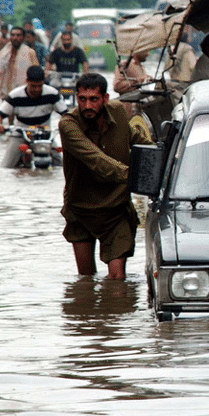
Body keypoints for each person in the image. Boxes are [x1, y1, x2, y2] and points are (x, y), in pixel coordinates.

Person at [58, 73, 152, 279]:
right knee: (85, 279)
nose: (87, 105)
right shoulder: (68, 124)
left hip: (115, 210)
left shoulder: (118, 113)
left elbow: (139, 142)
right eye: (82, 99)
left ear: (105, 99)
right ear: (76, 98)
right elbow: (96, 160)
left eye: (93, 99)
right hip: (81, 209)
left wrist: (162, 161)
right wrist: (135, 176)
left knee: (118, 279)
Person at [0, 65, 68, 167]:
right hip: (20, 134)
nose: (37, 89)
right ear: (26, 81)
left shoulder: (53, 94)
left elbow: (66, 115)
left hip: (44, 135)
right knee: (7, 166)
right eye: (33, 86)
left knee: (60, 164)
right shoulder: (15, 96)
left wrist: (65, 127)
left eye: (40, 86)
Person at [0, 26, 39, 99]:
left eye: (18, 35)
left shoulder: (30, 53)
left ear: (23, 38)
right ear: (10, 37)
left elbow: (36, 75)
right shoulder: (3, 54)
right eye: (13, 35)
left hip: (23, 96)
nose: (15, 38)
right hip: (5, 95)